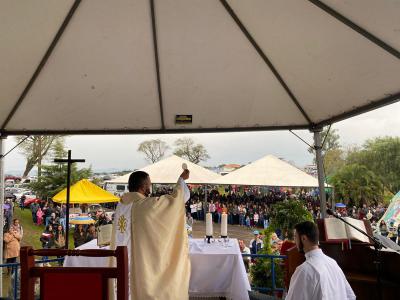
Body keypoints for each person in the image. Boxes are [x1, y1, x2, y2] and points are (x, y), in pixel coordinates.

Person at [109, 169, 191, 300]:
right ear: (143, 187)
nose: (150, 187)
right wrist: (181, 180)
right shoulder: (143, 205)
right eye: (149, 184)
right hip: (137, 263)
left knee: (123, 288)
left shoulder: (122, 204)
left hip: (120, 260)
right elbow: (173, 203)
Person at [286, 221, 355, 300]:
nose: (295, 241)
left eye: (295, 237)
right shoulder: (333, 262)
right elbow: (350, 296)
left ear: (303, 238)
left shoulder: (304, 270)